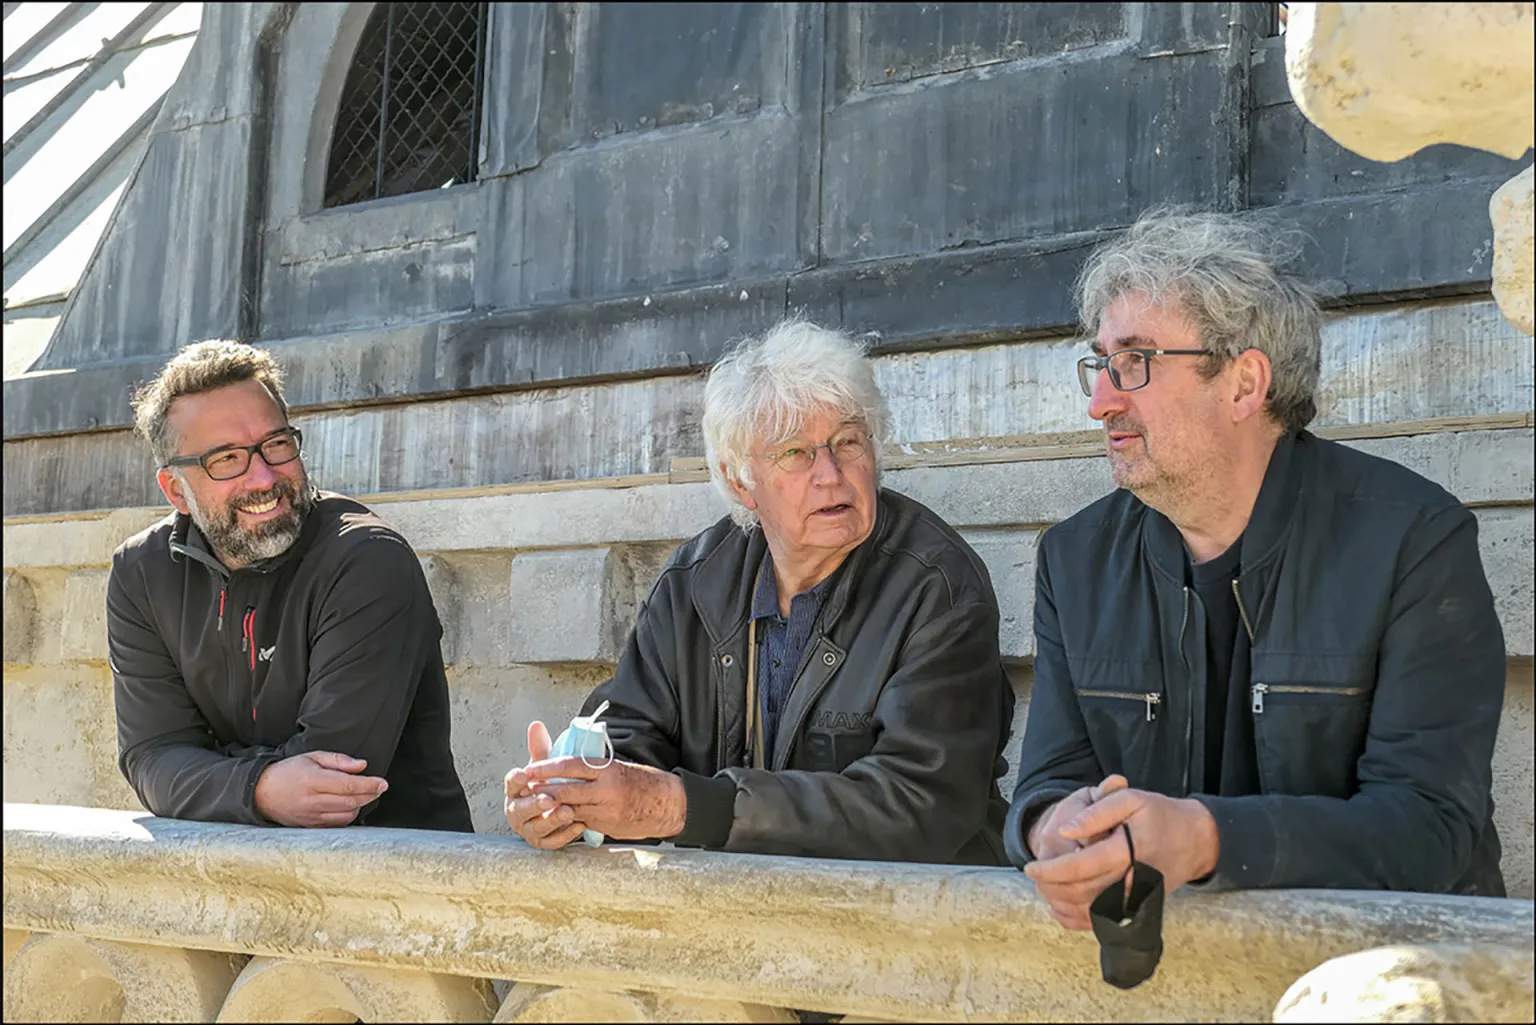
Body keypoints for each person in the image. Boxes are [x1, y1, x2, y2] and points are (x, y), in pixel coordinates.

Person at [1006, 210, 1507, 930]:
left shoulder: (1415, 538)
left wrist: (1204, 838)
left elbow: (1430, 827)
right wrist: (1051, 827)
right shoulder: (1075, 559)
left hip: (1378, 971)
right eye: (1102, 363)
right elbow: (1046, 783)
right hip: (1158, 972)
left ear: (1244, 383)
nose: (1100, 401)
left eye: (1137, 360)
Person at [504, 320, 1015, 863]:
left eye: (847, 442)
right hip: (737, 914)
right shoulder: (696, 582)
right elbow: (629, 730)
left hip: (912, 917)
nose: (831, 474)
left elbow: (918, 802)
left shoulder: (936, 585)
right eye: (795, 453)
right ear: (742, 480)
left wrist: (689, 807)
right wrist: (569, 798)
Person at [109, 340, 473, 831]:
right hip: (229, 882)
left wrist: (205, 772)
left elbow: (334, 785)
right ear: (177, 491)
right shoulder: (142, 572)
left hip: (395, 883)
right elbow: (152, 756)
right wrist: (259, 788)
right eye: (227, 459)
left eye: (276, 445)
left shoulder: (367, 561)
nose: (263, 477)